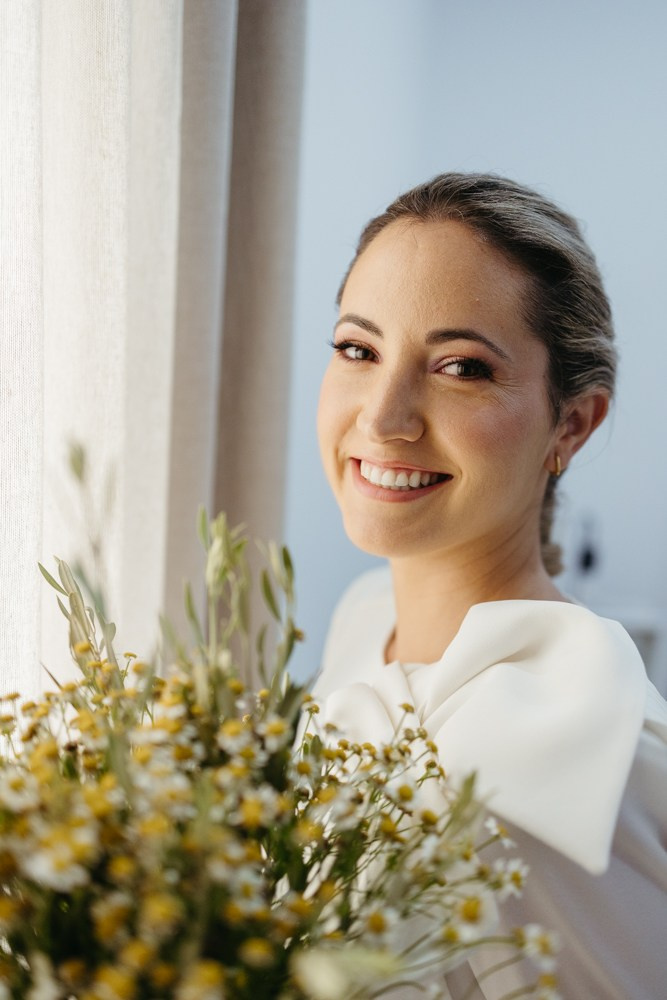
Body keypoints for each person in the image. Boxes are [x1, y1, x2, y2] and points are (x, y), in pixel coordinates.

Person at [311, 173, 667, 999]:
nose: (384, 416)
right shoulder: (365, 622)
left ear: (570, 424)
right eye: (358, 349)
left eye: (461, 367)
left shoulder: (576, 756)